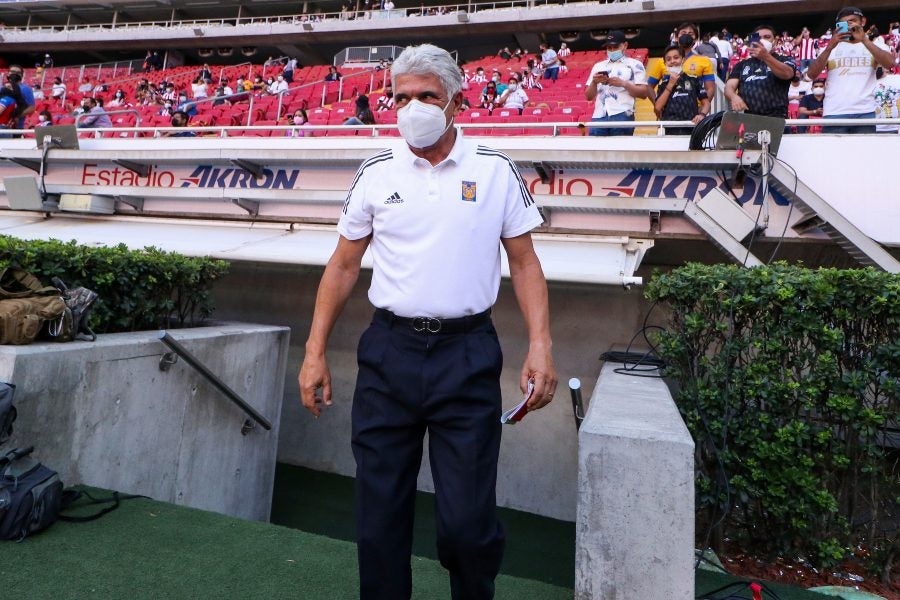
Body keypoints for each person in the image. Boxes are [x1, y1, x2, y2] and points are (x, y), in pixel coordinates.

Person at [298, 43, 556, 600]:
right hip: (389, 353)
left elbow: (525, 260)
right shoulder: (375, 172)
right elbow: (343, 266)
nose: (412, 107)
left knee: (467, 527)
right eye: (401, 97)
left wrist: (541, 344)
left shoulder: (494, 170)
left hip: (466, 356)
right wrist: (315, 350)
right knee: (379, 517)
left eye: (426, 97)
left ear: (456, 102)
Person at [807, 6, 896, 133]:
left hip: (865, 111)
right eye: (845, 23)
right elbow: (811, 75)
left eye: (853, 21)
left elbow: (890, 64)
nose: (849, 26)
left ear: (863, 22)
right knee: (834, 153)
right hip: (834, 112)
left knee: (864, 152)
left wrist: (864, 40)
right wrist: (829, 47)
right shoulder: (830, 48)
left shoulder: (876, 45)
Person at [585, 30, 649, 136]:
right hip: (599, 115)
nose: (612, 50)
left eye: (615, 47)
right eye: (609, 48)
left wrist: (624, 84)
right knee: (596, 151)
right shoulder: (598, 66)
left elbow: (643, 93)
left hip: (622, 114)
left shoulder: (635, 64)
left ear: (625, 45)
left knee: (621, 151)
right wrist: (594, 82)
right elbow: (588, 96)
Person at [725, 25, 797, 119]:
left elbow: (787, 74)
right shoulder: (742, 64)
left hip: (776, 118)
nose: (762, 40)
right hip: (747, 118)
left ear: (774, 41)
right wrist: (733, 97)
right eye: (759, 38)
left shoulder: (784, 60)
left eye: (767, 37)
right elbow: (729, 87)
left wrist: (766, 56)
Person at [647, 23, 716, 107]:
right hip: (668, 111)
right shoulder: (662, 61)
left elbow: (710, 88)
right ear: (676, 37)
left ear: (696, 39)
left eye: (690, 34)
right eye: (683, 33)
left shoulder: (704, 61)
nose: (686, 35)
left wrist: (702, 110)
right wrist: (657, 105)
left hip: (694, 112)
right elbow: (649, 86)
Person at [653, 45, 709, 135]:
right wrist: (670, 84)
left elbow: (706, 103)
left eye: (676, 58)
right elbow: (657, 108)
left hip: (691, 128)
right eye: (668, 59)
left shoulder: (694, 79)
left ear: (683, 60)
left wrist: (702, 115)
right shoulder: (663, 84)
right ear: (665, 63)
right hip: (668, 130)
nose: (672, 61)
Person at [7, 65, 35, 131]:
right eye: (13, 71)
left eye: (18, 73)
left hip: (17, 127)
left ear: (21, 75)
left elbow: (31, 108)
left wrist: (15, 116)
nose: (15, 74)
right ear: (8, 73)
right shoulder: (2, 87)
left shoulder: (26, 89)